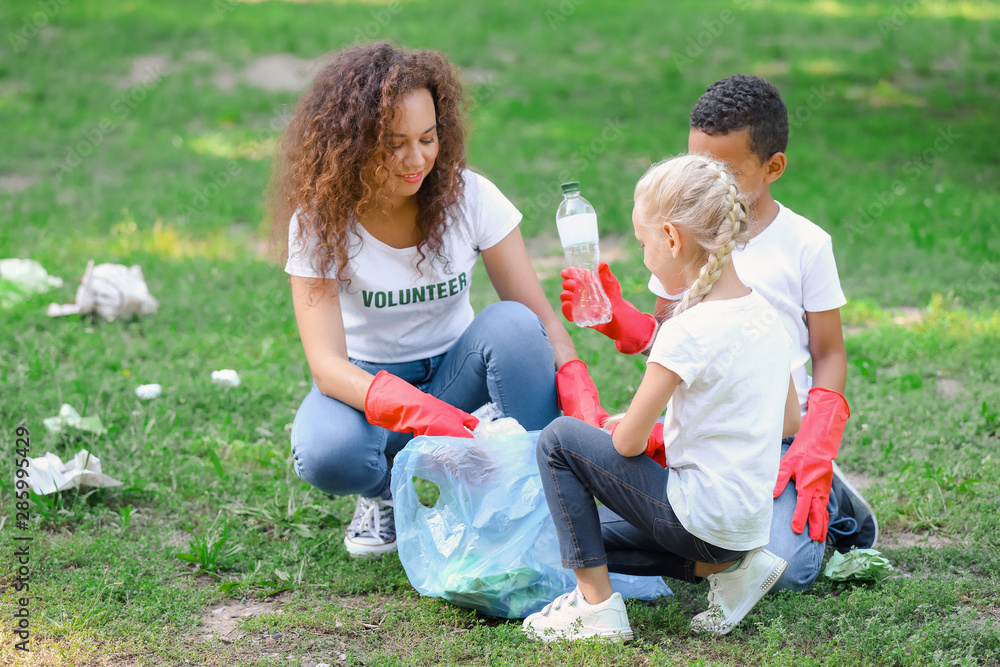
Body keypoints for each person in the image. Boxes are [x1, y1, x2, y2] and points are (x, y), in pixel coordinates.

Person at [267, 42, 609, 558]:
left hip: (459, 374)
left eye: (428, 139)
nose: (417, 159)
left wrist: (576, 381)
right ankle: (384, 494)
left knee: (515, 326)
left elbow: (538, 318)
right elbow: (327, 367)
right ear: (352, 143)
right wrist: (427, 418)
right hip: (370, 388)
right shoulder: (319, 222)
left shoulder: (469, 196)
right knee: (327, 453)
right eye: (394, 143)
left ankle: (536, 485)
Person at [559, 74, 877, 592]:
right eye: (694, 164)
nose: (704, 180)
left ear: (773, 166)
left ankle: (832, 496)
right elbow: (675, 343)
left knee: (788, 572)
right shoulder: (682, 243)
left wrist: (814, 443)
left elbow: (829, 352)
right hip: (709, 429)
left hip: (775, 432)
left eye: (721, 168)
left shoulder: (806, 245)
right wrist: (618, 317)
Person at [523, 154, 800, 642]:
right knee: (588, 537)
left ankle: (596, 612)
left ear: (672, 239)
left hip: (698, 521)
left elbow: (628, 446)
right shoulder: (766, 316)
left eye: (643, 242)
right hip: (746, 528)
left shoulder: (685, 331)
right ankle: (732, 574)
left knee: (560, 441)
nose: (644, 255)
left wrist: (622, 428)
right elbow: (789, 422)